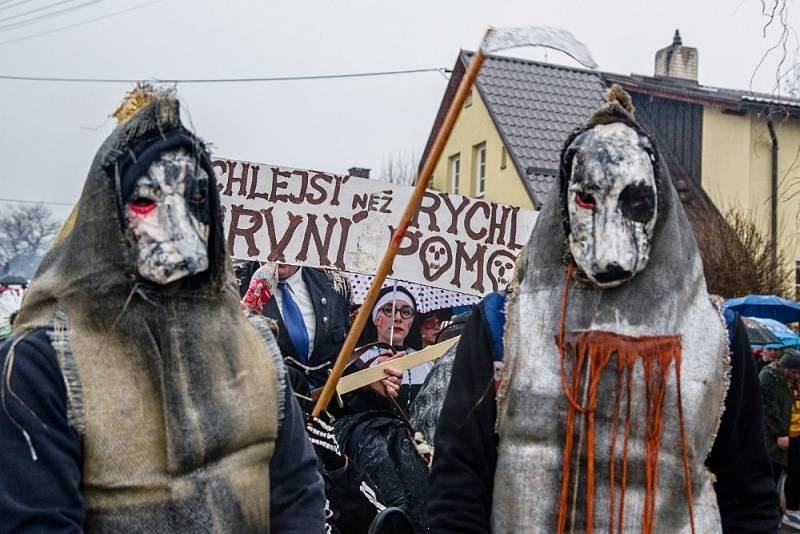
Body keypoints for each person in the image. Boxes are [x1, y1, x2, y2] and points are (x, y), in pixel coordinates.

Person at [427, 86, 778, 533]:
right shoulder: (503, 324)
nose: (611, 244)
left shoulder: (719, 336)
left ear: (659, 203)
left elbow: (749, 494)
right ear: (566, 203)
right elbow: (458, 484)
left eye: (633, 202)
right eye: (589, 201)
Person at [0, 87, 325, 532]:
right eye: (148, 201)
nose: (175, 226)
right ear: (108, 219)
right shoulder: (44, 365)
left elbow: (297, 492)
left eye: (193, 200)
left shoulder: (254, 347)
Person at [356, 285, 429, 413]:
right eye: (389, 310)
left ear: (411, 322)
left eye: (406, 312)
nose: (398, 318)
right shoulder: (356, 358)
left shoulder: (426, 363)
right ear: (375, 318)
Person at [765, 349, 800, 530]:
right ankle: (771, 513)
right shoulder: (769, 376)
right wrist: (779, 433)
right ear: (786, 368)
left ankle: (792, 510)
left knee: (796, 473)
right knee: (773, 475)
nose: (797, 375)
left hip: (796, 434)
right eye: (795, 372)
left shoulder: (794, 381)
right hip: (777, 436)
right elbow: (768, 408)